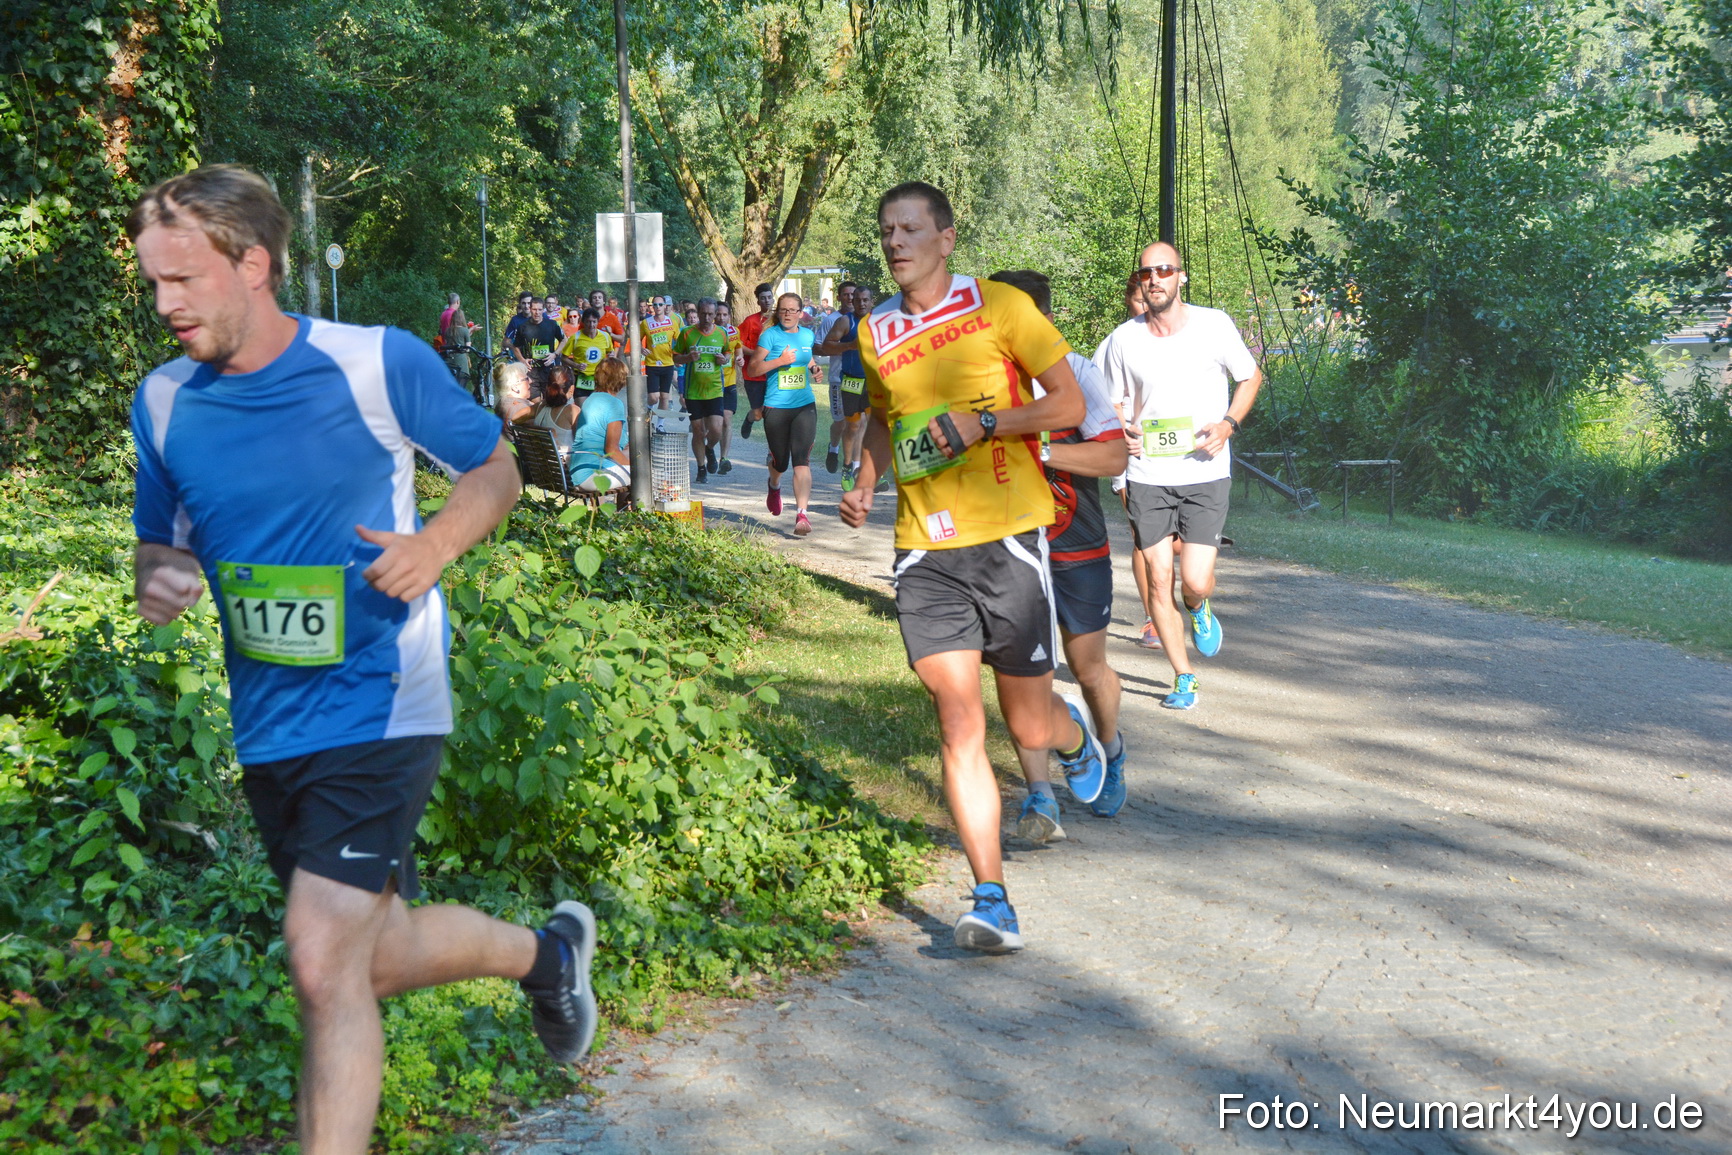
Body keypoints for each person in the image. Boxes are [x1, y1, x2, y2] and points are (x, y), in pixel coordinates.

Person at [124, 165, 597, 1155]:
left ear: (252, 265)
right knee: (361, 956)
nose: (162, 304)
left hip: (383, 699)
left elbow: (494, 468)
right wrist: (159, 577)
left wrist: (434, 545)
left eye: (180, 280)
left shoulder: (376, 363)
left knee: (317, 951)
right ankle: (547, 957)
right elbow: (158, 540)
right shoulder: (163, 401)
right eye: (151, 282)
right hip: (270, 723)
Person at [839, 182, 1106, 952]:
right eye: (886, 230)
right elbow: (888, 420)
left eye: (911, 228)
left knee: (1026, 719)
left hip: (1009, 537)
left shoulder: (1002, 309)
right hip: (926, 549)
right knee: (959, 719)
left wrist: (985, 421)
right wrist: (863, 482)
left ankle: (1072, 736)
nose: (895, 242)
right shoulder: (874, 328)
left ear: (946, 238)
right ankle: (993, 897)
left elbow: (1065, 407)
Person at [988, 270, 1131, 839]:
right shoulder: (981, 374)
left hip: (1077, 544)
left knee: (1089, 668)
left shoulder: (1076, 373)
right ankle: (1040, 797)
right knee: (1025, 669)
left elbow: (1115, 458)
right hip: (1010, 540)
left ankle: (1111, 748)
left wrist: (1039, 451)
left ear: (1042, 320)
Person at [1096, 241, 1262, 710]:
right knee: (1156, 579)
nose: (1154, 279)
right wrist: (1121, 428)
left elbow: (1250, 376)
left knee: (1194, 578)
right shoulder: (1123, 339)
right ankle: (1183, 675)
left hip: (1205, 471)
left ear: (1180, 277)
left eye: (1164, 270)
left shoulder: (1213, 325)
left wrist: (1228, 425)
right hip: (1147, 473)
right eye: (1146, 272)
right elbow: (1108, 399)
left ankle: (1198, 605)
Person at [745, 292, 819, 536]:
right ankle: (774, 484)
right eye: (783, 310)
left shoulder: (808, 335)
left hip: (804, 405)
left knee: (802, 461)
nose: (788, 314)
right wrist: (780, 361)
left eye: (792, 310)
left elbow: (807, 358)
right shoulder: (770, 336)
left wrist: (815, 368)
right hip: (776, 406)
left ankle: (802, 515)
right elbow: (754, 367)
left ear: (800, 313)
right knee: (781, 462)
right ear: (778, 312)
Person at [673, 298, 729, 484]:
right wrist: (688, 357)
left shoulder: (721, 333)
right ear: (697, 312)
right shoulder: (687, 333)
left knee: (716, 429)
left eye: (710, 314)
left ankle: (710, 448)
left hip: (714, 389)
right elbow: (675, 357)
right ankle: (701, 468)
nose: (707, 318)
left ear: (715, 314)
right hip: (693, 391)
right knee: (698, 430)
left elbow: (727, 352)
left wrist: (724, 359)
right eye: (703, 313)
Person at [569, 357, 632, 494]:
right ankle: (633, 513)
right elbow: (611, 448)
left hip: (577, 471)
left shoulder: (590, 399)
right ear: (620, 379)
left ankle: (623, 513)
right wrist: (633, 469)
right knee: (646, 475)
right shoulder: (614, 404)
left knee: (636, 460)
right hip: (593, 474)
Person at [817, 282, 856, 473]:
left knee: (856, 421)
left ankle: (854, 465)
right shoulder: (831, 320)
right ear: (839, 297)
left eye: (852, 294)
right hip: (837, 378)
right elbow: (817, 346)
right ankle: (833, 449)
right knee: (840, 421)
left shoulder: (863, 319)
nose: (849, 298)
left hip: (857, 377)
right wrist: (840, 346)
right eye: (846, 294)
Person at [736, 283, 774, 438]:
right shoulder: (750, 321)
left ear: (773, 298)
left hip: (773, 373)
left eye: (769, 297)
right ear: (758, 301)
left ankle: (772, 449)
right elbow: (738, 344)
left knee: (773, 414)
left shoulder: (780, 320)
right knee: (758, 414)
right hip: (753, 375)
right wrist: (756, 354)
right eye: (763, 298)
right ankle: (750, 418)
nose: (766, 301)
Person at [511, 297, 563, 398]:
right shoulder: (523, 327)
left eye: (539, 309)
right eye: (534, 309)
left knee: (549, 401)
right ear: (530, 309)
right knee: (535, 404)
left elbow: (564, 340)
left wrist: (554, 354)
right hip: (531, 371)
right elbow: (515, 347)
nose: (537, 312)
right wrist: (522, 360)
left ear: (543, 310)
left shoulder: (552, 324)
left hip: (548, 370)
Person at [559, 308, 614, 400]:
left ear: (598, 322)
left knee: (598, 409)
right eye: (588, 322)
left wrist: (611, 356)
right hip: (582, 377)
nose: (591, 325)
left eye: (594, 322)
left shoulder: (605, 336)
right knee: (583, 410)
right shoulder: (575, 338)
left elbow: (610, 351)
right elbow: (564, 358)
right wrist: (576, 365)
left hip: (600, 377)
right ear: (583, 322)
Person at [639, 295, 680, 409]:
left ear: (665, 306)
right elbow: (636, 339)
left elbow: (680, 341)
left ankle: (660, 426)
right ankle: (648, 410)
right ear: (652, 307)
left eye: (660, 304)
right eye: (655, 305)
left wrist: (679, 355)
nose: (658, 307)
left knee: (664, 397)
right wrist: (641, 349)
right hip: (652, 363)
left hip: (668, 363)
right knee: (653, 397)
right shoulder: (646, 323)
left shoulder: (672, 322)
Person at [715, 301, 741, 474]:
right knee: (712, 425)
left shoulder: (734, 331)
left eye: (725, 314)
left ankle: (724, 458)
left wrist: (740, 358)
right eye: (718, 314)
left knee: (726, 419)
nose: (721, 318)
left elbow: (738, 349)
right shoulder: (706, 333)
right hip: (710, 384)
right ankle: (709, 451)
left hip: (729, 382)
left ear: (729, 316)